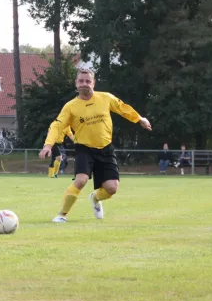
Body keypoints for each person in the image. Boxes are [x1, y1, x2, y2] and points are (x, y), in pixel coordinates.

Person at [39, 68, 152, 223]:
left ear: (94, 83)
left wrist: (140, 119)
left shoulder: (105, 98)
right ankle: (61, 215)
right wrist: (48, 145)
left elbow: (123, 108)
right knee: (81, 180)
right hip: (84, 149)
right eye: (81, 81)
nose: (84, 84)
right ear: (76, 84)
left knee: (112, 188)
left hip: (105, 148)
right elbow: (57, 125)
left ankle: (94, 197)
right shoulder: (70, 106)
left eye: (87, 81)